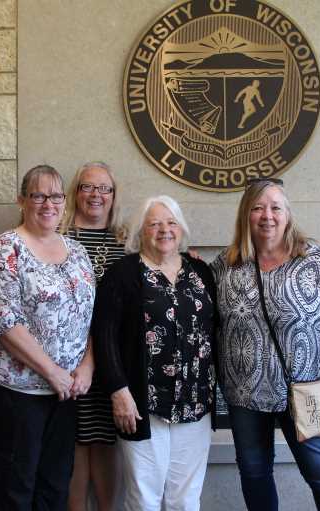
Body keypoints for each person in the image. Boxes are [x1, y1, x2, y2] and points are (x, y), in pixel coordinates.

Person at [211, 178, 320, 511]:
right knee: (254, 472)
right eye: (257, 207)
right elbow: (198, 303)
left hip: (304, 391)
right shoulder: (226, 266)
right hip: (246, 392)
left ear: (287, 215)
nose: (267, 215)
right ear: (245, 215)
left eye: (275, 207)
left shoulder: (314, 261)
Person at [0, 164, 96, 511]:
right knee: (16, 486)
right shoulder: (6, 249)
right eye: (39, 195)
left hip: (66, 392)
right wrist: (52, 372)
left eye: (56, 196)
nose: (49, 204)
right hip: (17, 392)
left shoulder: (77, 251)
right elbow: (4, 322)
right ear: (22, 200)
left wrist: (86, 367)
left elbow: (90, 316)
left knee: (56, 484)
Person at [92, 195, 217, 511]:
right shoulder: (122, 274)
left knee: (186, 497)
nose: (165, 230)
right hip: (142, 405)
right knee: (145, 496)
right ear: (141, 231)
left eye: (171, 222)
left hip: (195, 402)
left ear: (181, 228)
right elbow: (104, 335)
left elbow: (216, 329)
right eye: (155, 224)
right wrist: (119, 391)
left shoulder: (201, 271)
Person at [60, 162, 126, 511]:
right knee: (74, 441)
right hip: (66, 362)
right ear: (75, 192)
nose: (96, 195)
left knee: (104, 440)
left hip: (110, 360)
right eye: (88, 187)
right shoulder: (58, 238)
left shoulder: (125, 242)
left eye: (105, 189)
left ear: (114, 197)